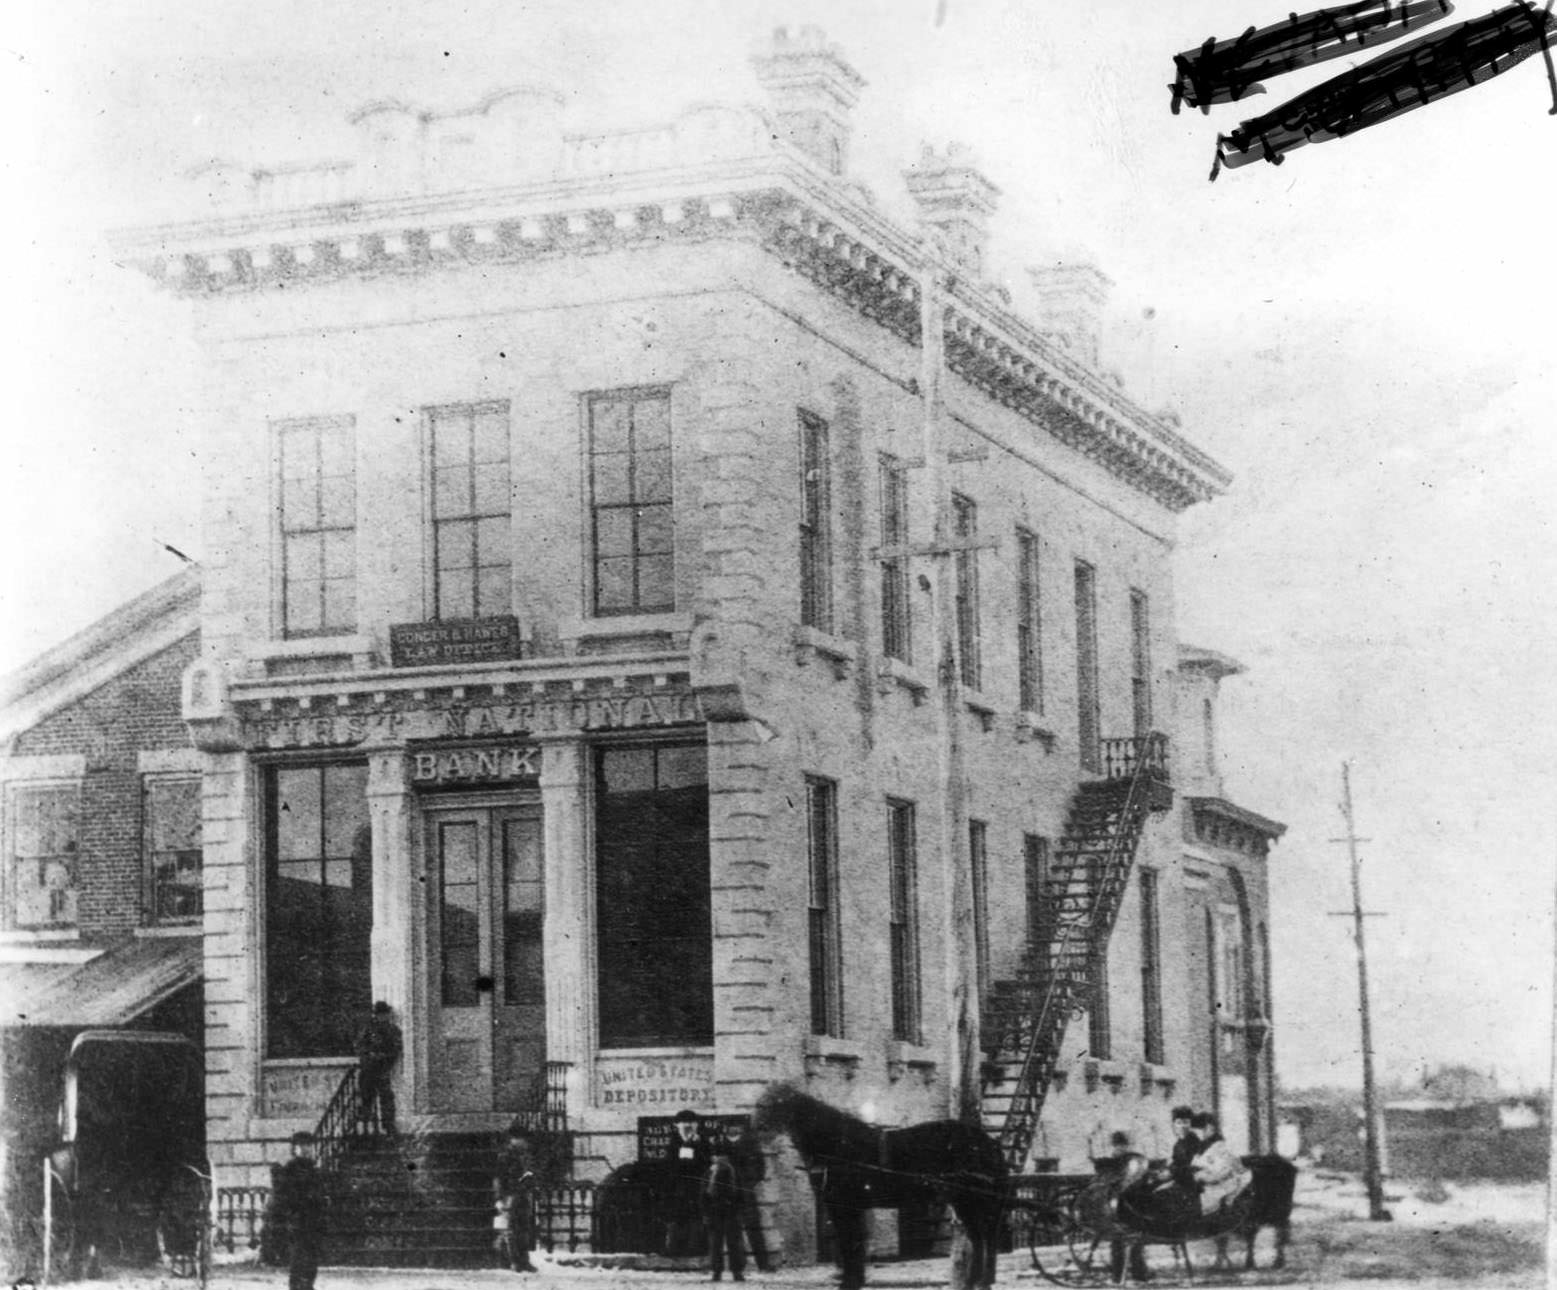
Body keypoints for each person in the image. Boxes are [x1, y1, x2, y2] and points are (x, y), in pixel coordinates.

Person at [272, 1132, 326, 1290]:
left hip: (313, 1220)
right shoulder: (290, 1169)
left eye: (308, 1145)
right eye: (301, 1146)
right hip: (297, 1220)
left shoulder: (313, 1168)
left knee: (312, 1258)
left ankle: (308, 1285)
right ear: (294, 1149)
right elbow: (285, 1196)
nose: (306, 1149)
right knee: (299, 1258)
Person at [722, 1119, 771, 1273]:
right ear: (725, 1128)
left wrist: (750, 1182)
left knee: (754, 1228)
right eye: (731, 1126)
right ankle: (738, 1265)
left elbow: (760, 1166)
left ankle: (763, 1264)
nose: (734, 1128)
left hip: (746, 1192)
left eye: (737, 1126)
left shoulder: (750, 1145)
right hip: (727, 1193)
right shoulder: (720, 1144)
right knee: (732, 1230)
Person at [1105, 1131, 1151, 1284]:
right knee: (1117, 1242)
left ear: (1127, 1146)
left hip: (1134, 1207)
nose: (1120, 1149)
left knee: (1133, 1243)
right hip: (1119, 1208)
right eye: (1117, 1146)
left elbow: (1135, 1181)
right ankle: (1118, 1277)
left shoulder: (1134, 1160)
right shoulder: (1114, 1161)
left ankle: (1139, 1276)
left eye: (1122, 1146)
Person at [494, 1123, 538, 1273]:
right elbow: (499, 1178)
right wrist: (499, 1198)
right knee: (511, 1229)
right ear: (515, 1139)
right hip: (510, 1195)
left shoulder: (524, 1155)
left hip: (522, 1194)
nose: (525, 1143)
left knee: (524, 1229)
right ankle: (514, 1261)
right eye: (523, 1139)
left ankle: (524, 1260)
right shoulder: (505, 1155)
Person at [355, 1001, 402, 1137]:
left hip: (383, 1068)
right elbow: (359, 1046)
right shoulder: (368, 1030)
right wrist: (369, 1055)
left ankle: (388, 1126)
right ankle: (365, 1122)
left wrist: (385, 1057)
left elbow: (397, 1048)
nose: (382, 1017)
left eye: (384, 1014)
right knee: (366, 1093)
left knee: (386, 1097)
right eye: (379, 1014)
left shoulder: (393, 1030)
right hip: (369, 1067)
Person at [667, 1108, 708, 1257]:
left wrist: (695, 1146)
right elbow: (673, 1164)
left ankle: (695, 1248)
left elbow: (705, 1163)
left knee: (696, 1216)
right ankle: (675, 1249)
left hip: (697, 1186)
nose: (687, 1126)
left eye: (691, 1122)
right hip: (678, 1186)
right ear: (677, 1125)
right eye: (684, 1123)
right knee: (678, 1216)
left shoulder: (702, 1141)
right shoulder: (674, 1142)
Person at [1190, 1113, 1250, 1215]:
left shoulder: (1220, 1147)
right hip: (1206, 1185)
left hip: (1224, 1186)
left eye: (1197, 1131)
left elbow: (1223, 1172)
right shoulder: (1201, 1147)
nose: (1195, 1135)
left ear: (1209, 1129)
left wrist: (1202, 1177)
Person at [701, 1146, 746, 1282]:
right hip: (726, 1211)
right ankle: (734, 1272)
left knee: (719, 1243)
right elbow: (741, 1193)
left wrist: (706, 1211)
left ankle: (720, 1272)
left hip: (721, 1211)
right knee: (731, 1243)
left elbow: (704, 1194)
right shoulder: (730, 1171)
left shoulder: (713, 1172)